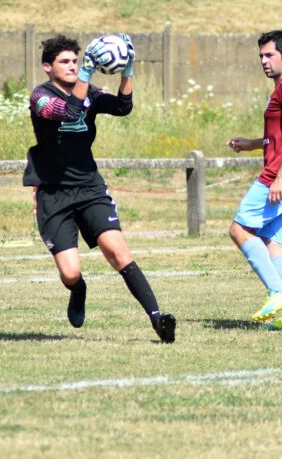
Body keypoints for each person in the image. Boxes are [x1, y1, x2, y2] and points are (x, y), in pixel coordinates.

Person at [23, 33, 175, 343]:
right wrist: (88, 73)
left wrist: (128, 69)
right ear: (47, 66)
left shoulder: (90, 91)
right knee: (69, 273)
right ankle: (78, 290)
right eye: (65, 62)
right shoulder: (40, 96)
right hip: (53, 193)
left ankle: (158, 318)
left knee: (118, 252)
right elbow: (68, 112)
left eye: (75, 61)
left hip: (90, 188)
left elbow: (122, 107)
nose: (72, 66)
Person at [226, 30, 282, 331]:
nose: (264, 61)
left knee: (239, 230)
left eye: (269, 55)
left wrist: (280, 176)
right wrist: (253, 144)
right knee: (271, 242)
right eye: (261, 56)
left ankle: (280, 294)